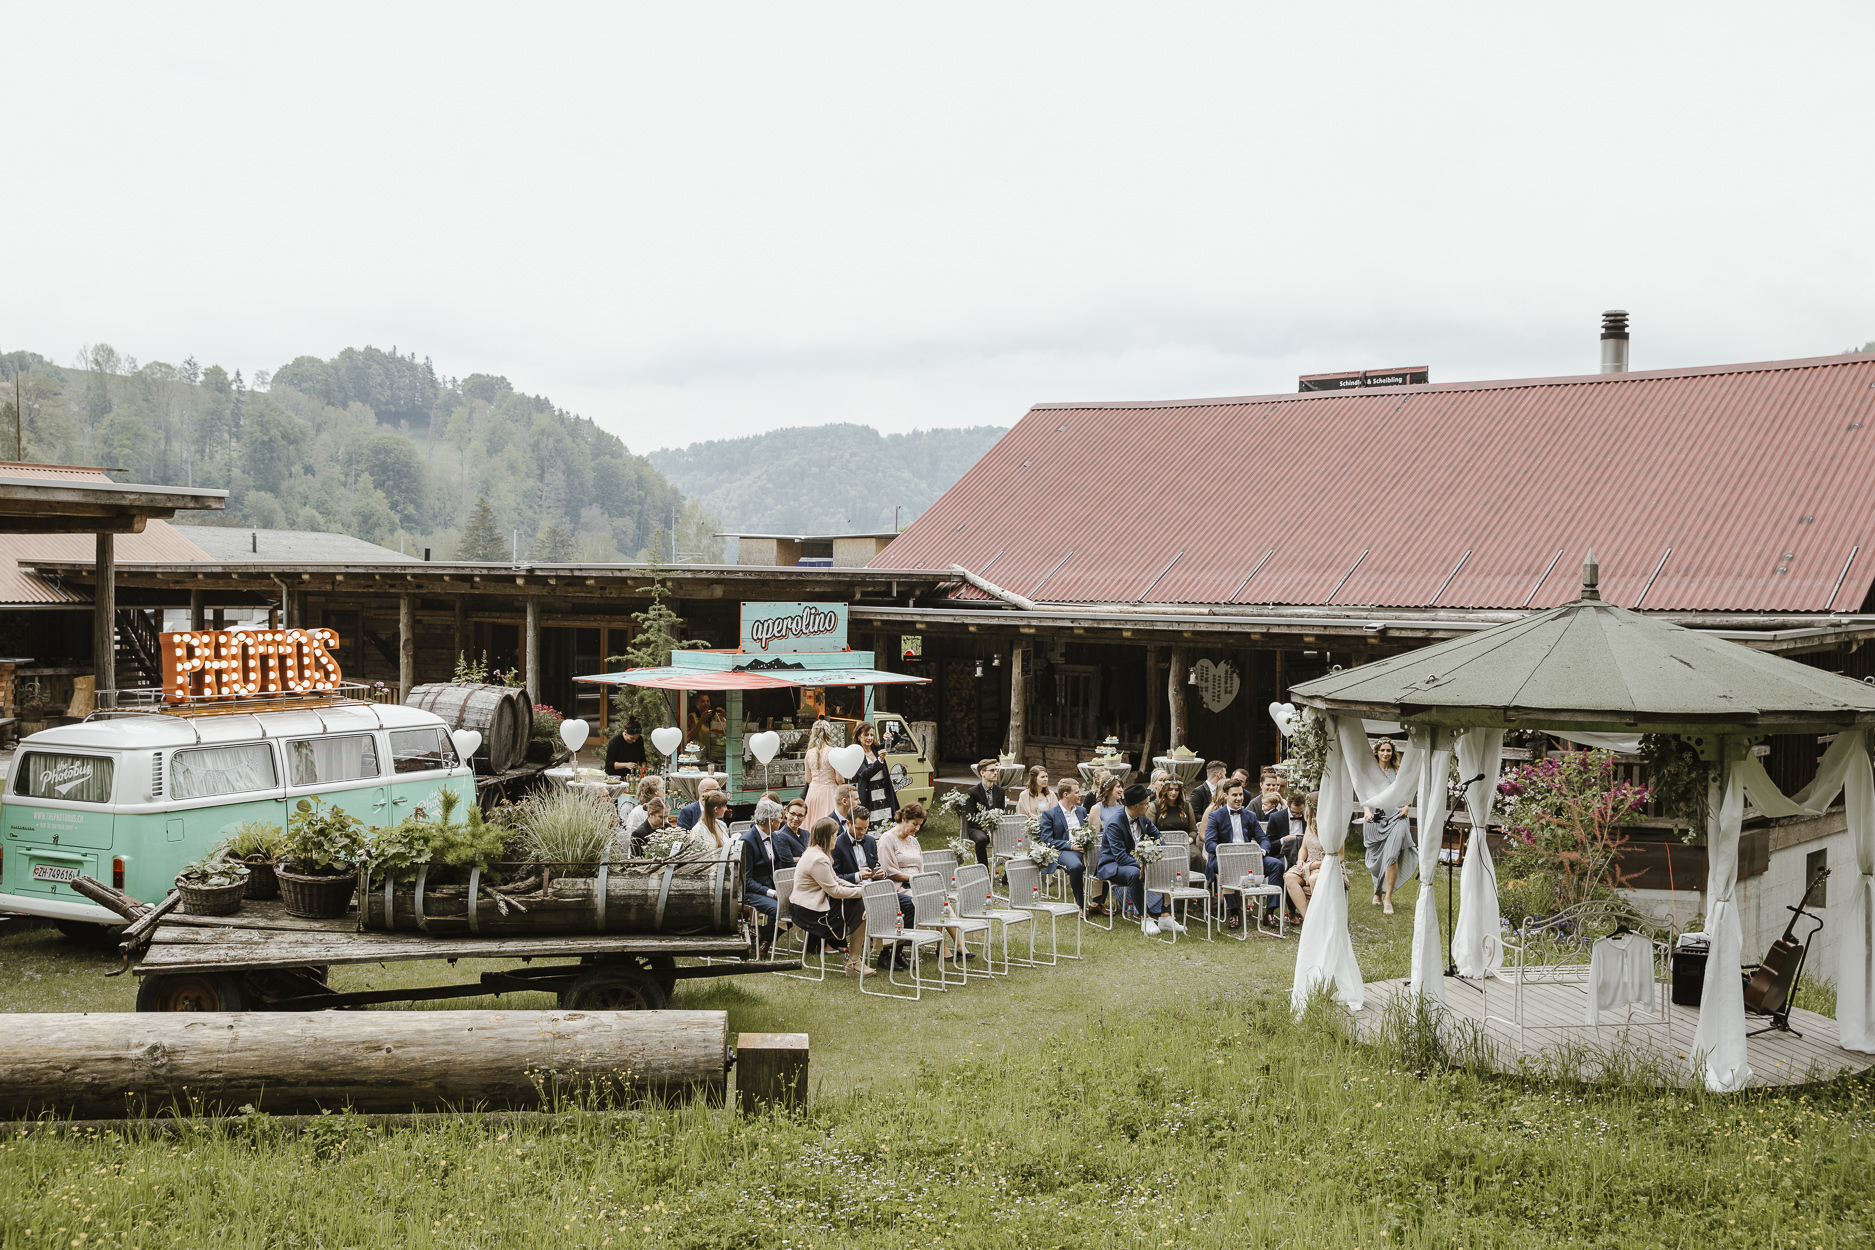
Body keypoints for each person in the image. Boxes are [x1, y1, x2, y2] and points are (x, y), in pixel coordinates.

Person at [789, 816, 871, 976]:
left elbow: (836, 880)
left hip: (812, 904)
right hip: (808, 911)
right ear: (827, 836)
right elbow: (835, 891)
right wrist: (863, 892)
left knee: (859, 902)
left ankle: (855, 959)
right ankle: (854, 961)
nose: (836, 838)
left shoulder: (817, 853)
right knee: (861, 906)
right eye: (835, 835)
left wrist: (857, 887)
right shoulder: (818, 858)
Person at [1096, 783, 1181, 935]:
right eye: (1146, 804)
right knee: (1134, 873)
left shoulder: (1142, 818)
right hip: (1113, 865)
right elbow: (1121, 857)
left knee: (1167, 866)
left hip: (1136, 862)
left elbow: (1158, 838)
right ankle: (1145, 918)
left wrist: (1162, 854)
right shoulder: (1115, 823)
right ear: (1136, 806)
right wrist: (1143, 865)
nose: (1149, 806)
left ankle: (1165, 916)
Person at [1362, 738, 1416, 916]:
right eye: (1382, 750)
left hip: (1397, 817)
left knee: (1392, 856)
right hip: (1376, 818)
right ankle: (1377, 890)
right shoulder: (1369, 772)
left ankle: (1388, 898)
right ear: (1376, 752)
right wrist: (1367, 811)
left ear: (1393, 753)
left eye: (1389, 750)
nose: (1386, 753)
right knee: (1376, 859)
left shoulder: (1399, 771)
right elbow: (1363, 793)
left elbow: (1409, 791)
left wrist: (1407, 806)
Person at [1035, 778, 1094, 914]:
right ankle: (1080, 904)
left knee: (1105, 860)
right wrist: (1071, 845)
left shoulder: (1082, 811)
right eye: (1077, 792)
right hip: (1064, 850)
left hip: (1086, 849)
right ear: (1066, 794)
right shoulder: (1050, 814)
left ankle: (1097, 902)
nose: (1080, 795)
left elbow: (1087, 830)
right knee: (1075, 866)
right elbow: (1046, 840)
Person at [741, 797, 788, 952]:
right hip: (752, 891)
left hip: (773, 887)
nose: (782, 821)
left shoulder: (774, 836)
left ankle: (763, 935)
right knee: (778, 908)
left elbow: (780, 865)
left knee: (799, 905)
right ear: (771, 821)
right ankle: (765, 943)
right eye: (780, 818)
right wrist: (772, 893)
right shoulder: (747, 841)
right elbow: (746, 880)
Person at [1283, 795, 1327, 921]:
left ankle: (1322, 917)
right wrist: (1300, 859)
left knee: (1314, 878)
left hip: (1325, 865)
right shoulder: (1310, 824)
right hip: (1308, 863)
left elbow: (1339, 857)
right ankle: (1308, 918)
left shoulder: (1332, 827)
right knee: (1289, 876)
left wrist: (1315, 865)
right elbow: (1304, 848)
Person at [958, 758, 1004, 866]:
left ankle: (1007, 876)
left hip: (996, 827)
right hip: (976, 828)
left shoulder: (1000, 792)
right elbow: (970, 817)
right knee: (981, 839)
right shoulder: (972, 792)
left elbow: (1002, 813)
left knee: (1013, 838)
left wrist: (994, 828)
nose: (995, 772)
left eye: (996, 770)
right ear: (982, 773)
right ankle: (984, 872)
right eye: (992, 770)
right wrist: (987, 828)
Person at [851, 722, 898, 826]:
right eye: (866, 734)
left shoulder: (877, 749)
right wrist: (879, 761)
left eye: (872, 735)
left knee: (887, 824)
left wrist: (890, 735)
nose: (869, 738)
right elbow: (865, 773)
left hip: (884, 794)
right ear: (859, 736)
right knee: (872, 825)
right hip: (869, 797)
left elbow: (895, 740)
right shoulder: (856, 755)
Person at [1152, 778, 1198, 874]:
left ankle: (1193, 885)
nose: (1173, 792)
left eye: (1177, 790)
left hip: (1184, 842)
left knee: (1195, 856)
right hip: (1163, 844)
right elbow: (1150, 830)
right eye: (1170, 789)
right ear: (1165, 790)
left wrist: (1190, 839)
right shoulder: (1155, 806)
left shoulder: (1186, 806)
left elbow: (1193, 829)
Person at [803, 720, 840, 826]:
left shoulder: (809, 753)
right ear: (828, 733)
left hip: (813, 792)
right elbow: (839, 779)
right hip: (829, 792)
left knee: (812, 824)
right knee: (829, 824)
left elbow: (808, 779)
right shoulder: (833, 752)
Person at [621, 774, 665, 845]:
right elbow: (632, 838)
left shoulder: (662, 809)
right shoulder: (637, 812)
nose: (663, 791)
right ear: (655, 791)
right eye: (662, 788)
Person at [774, 798, 810, 865]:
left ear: (804, 817)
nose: (796, 818)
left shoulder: (807, 834)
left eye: (800, 815)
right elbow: (788, 863)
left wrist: (798, 859)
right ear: (786, 813)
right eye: (793, 814)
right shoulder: (781, 836)